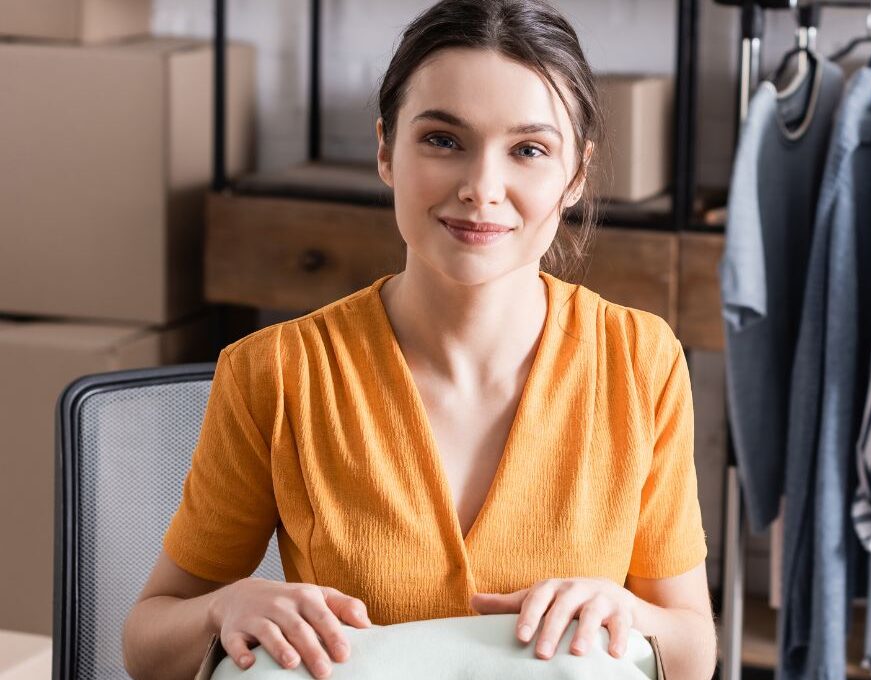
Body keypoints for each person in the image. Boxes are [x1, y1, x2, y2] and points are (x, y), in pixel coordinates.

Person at [120, 1, 716, 679]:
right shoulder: (278, 372)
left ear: (575, 174)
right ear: (385, 151)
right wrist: (221, 608)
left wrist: (622, 611)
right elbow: (147, 641)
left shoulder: (641, 361)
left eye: (529, 150)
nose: (481, 188)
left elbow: (694, 651)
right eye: (443, 140)